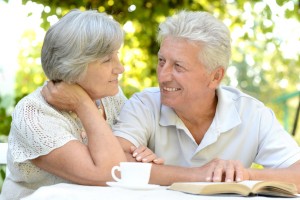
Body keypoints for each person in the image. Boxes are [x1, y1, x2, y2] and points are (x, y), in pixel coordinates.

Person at [37, 10, 300, 191]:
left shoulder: (252, 113)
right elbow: (115, 164)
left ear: (215, 76)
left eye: (178, 67)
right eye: (162, 61)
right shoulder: (144, 104)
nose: (163, 76)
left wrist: (244, 174)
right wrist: (201, 174)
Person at [0, 9, 161, 200]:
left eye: (116, 55)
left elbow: (123, 162)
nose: (120, 68)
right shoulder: (33, 113)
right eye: (107, 60)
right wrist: (83, 104)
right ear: (73, 66)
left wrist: (136, 158)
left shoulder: (111, 98)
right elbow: (114, 172)